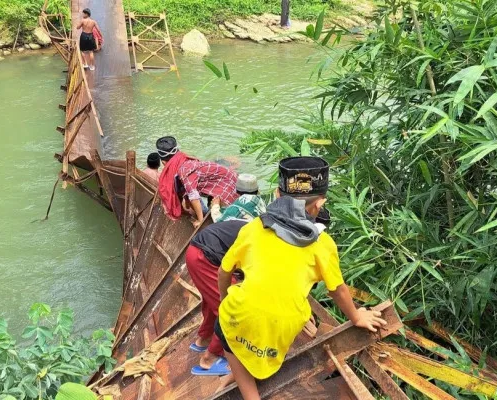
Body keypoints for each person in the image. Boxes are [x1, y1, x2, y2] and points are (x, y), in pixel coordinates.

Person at [216, 156, 388, 400]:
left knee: (225, 327)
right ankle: (237, 373)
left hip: (241, 316)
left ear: (276, 194)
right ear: (319, 204)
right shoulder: (323, 244)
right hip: (287, 325)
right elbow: (337, 290)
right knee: (263, 324)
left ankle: (248, 393)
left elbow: (223, 272)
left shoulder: (253, 228)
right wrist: (357, 316)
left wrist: (224, 300)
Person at [185, 220, 249, 377]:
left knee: (212, 299)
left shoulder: (259, 225)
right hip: (206, 257)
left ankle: (204, 339)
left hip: (196, 252)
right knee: (232, 308)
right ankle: (210, 359)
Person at [156, 136, 239, 227]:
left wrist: (200, 221)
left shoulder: (184, 170)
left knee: (222, 217)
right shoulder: (183, 158)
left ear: (164, 163)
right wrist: (187, 206)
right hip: (218, 180)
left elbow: (193, 196)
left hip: (226, 182)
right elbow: (186, 189)